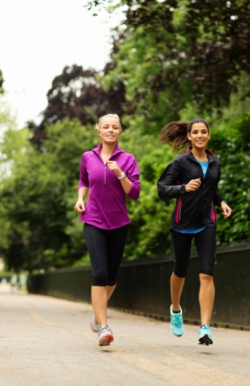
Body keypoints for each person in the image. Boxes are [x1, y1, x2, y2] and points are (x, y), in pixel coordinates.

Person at [157, 117, 232, 346]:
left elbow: (211, 189)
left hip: (206, 223)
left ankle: (205, 327)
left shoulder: (215, 162)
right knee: (180, 271)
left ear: (208, 135)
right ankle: (176, 309)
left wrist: (221, 202)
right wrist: (183, 188)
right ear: (189, 136)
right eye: (195, 132)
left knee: (207, 274)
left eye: (203, 131)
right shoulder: (180, 162)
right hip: (182, 224)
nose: (200, 135)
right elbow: (162, 189)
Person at [74, 114, 141, 346]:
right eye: (106, 127)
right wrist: (80, 198)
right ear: (98, 131)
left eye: (115, 127)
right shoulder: (87, 157)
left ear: (120, 131)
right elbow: (83, 181)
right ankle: (103, 327)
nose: (110, 130)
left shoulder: (128, 159)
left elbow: (134, 193)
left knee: (112, 278)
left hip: (119, 223)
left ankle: (98, 312)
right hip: (93, 220)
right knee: (99, 274)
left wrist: (120, 173)